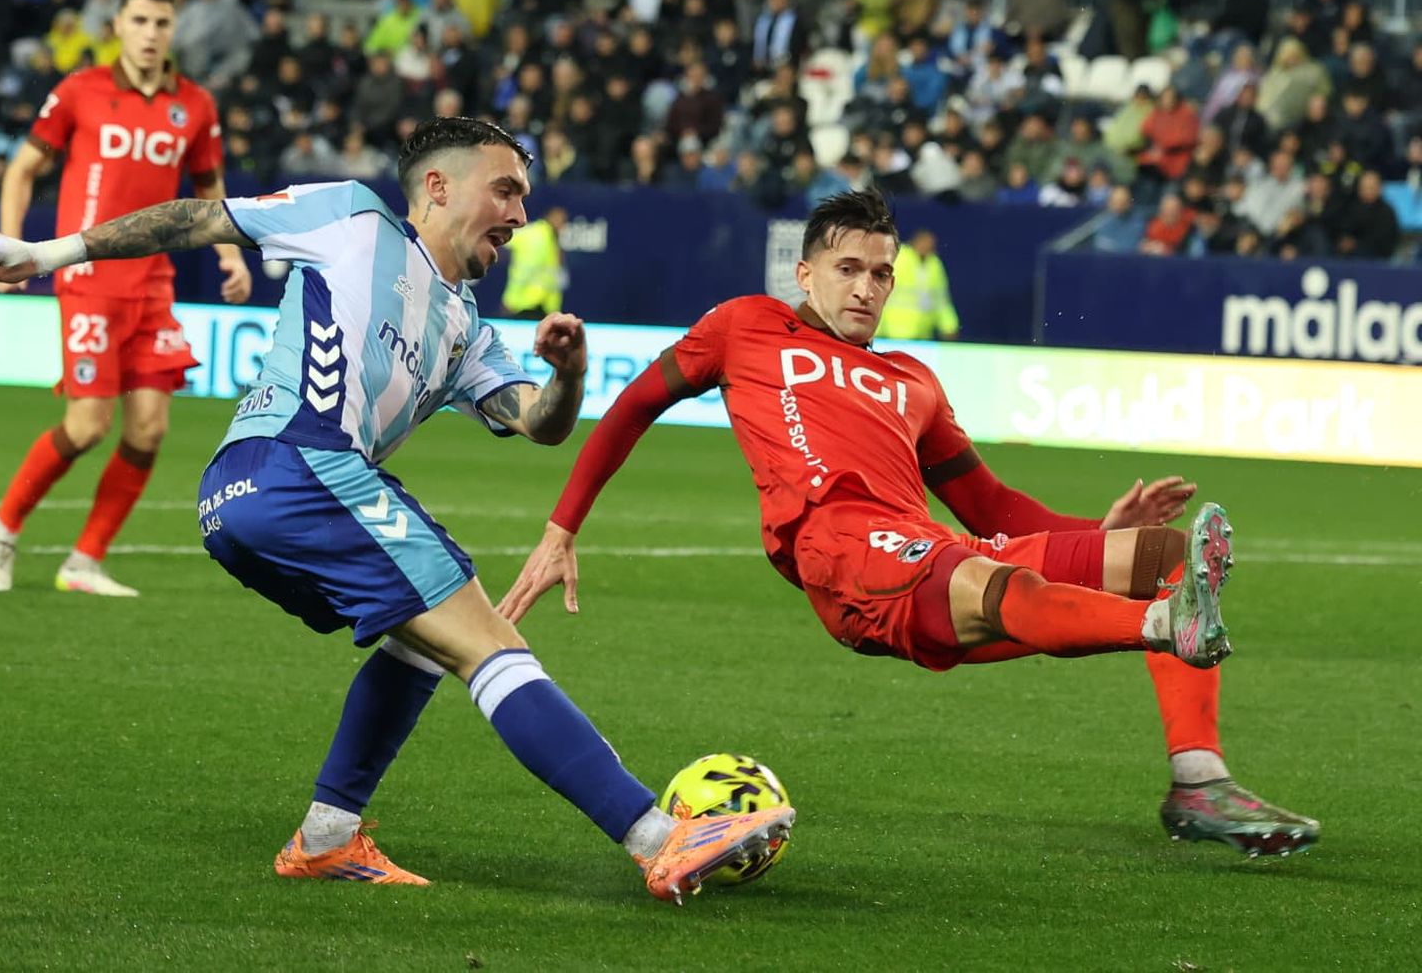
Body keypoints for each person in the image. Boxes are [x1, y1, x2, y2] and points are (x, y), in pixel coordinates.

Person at [0, 116, 794, 903]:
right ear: (437, 185)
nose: (519, 212)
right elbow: (197, 219)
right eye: (504, 190)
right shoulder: (350, 216)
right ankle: (657, 839)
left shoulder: (466, 326)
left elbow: (537, 423)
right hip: (296, 465)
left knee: (424, 644)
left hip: (250, 498)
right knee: (488, 639)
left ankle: (328, 835)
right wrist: (46, 252)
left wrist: (568, 373)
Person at [501, 190, 1318, 858]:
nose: (866, 287)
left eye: (881, 274)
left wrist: (1097, 529)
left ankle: (1199, 779)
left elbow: (993, 509)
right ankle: (1160, 626)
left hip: (933, 548)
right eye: (848, 269)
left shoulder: (912, 379)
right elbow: (636, 405)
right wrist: (562, 526)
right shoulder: (746, 325)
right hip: (843, 553)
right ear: (806, 271)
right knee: (1001, 581)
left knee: (1165, 554)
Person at [0, 0, 253, 599]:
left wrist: (231, 254)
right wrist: (12, 246)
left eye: (161, 23)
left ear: (172, 30)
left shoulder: (196, 107)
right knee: (90, 423)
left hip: (154, 282)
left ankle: (85, 561)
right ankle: (2, 528)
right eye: (141, 21)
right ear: (118, 26)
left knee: (149, 428)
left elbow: (210, 193)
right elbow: (23, 167)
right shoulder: (81, 90)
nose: (151, 33)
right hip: (87, 277)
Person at [873, 228, 958, 340]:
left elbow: (941, 300)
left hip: (922, 336)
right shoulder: (898, 258)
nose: (926, 246)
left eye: (930, 244)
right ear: (915, 242)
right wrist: (875, 328)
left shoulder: (934, 265)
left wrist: (949, 326)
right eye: (923, 242)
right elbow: (880, 292)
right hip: (891, 334)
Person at [499, 204, 568, 319]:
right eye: (560, 220)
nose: (562, 226)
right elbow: (527, 269)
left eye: (564, 222)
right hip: (527, 304)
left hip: (542, 305)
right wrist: (511, 301)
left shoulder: (550, 237)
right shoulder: (539, 237)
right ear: (550, 217)